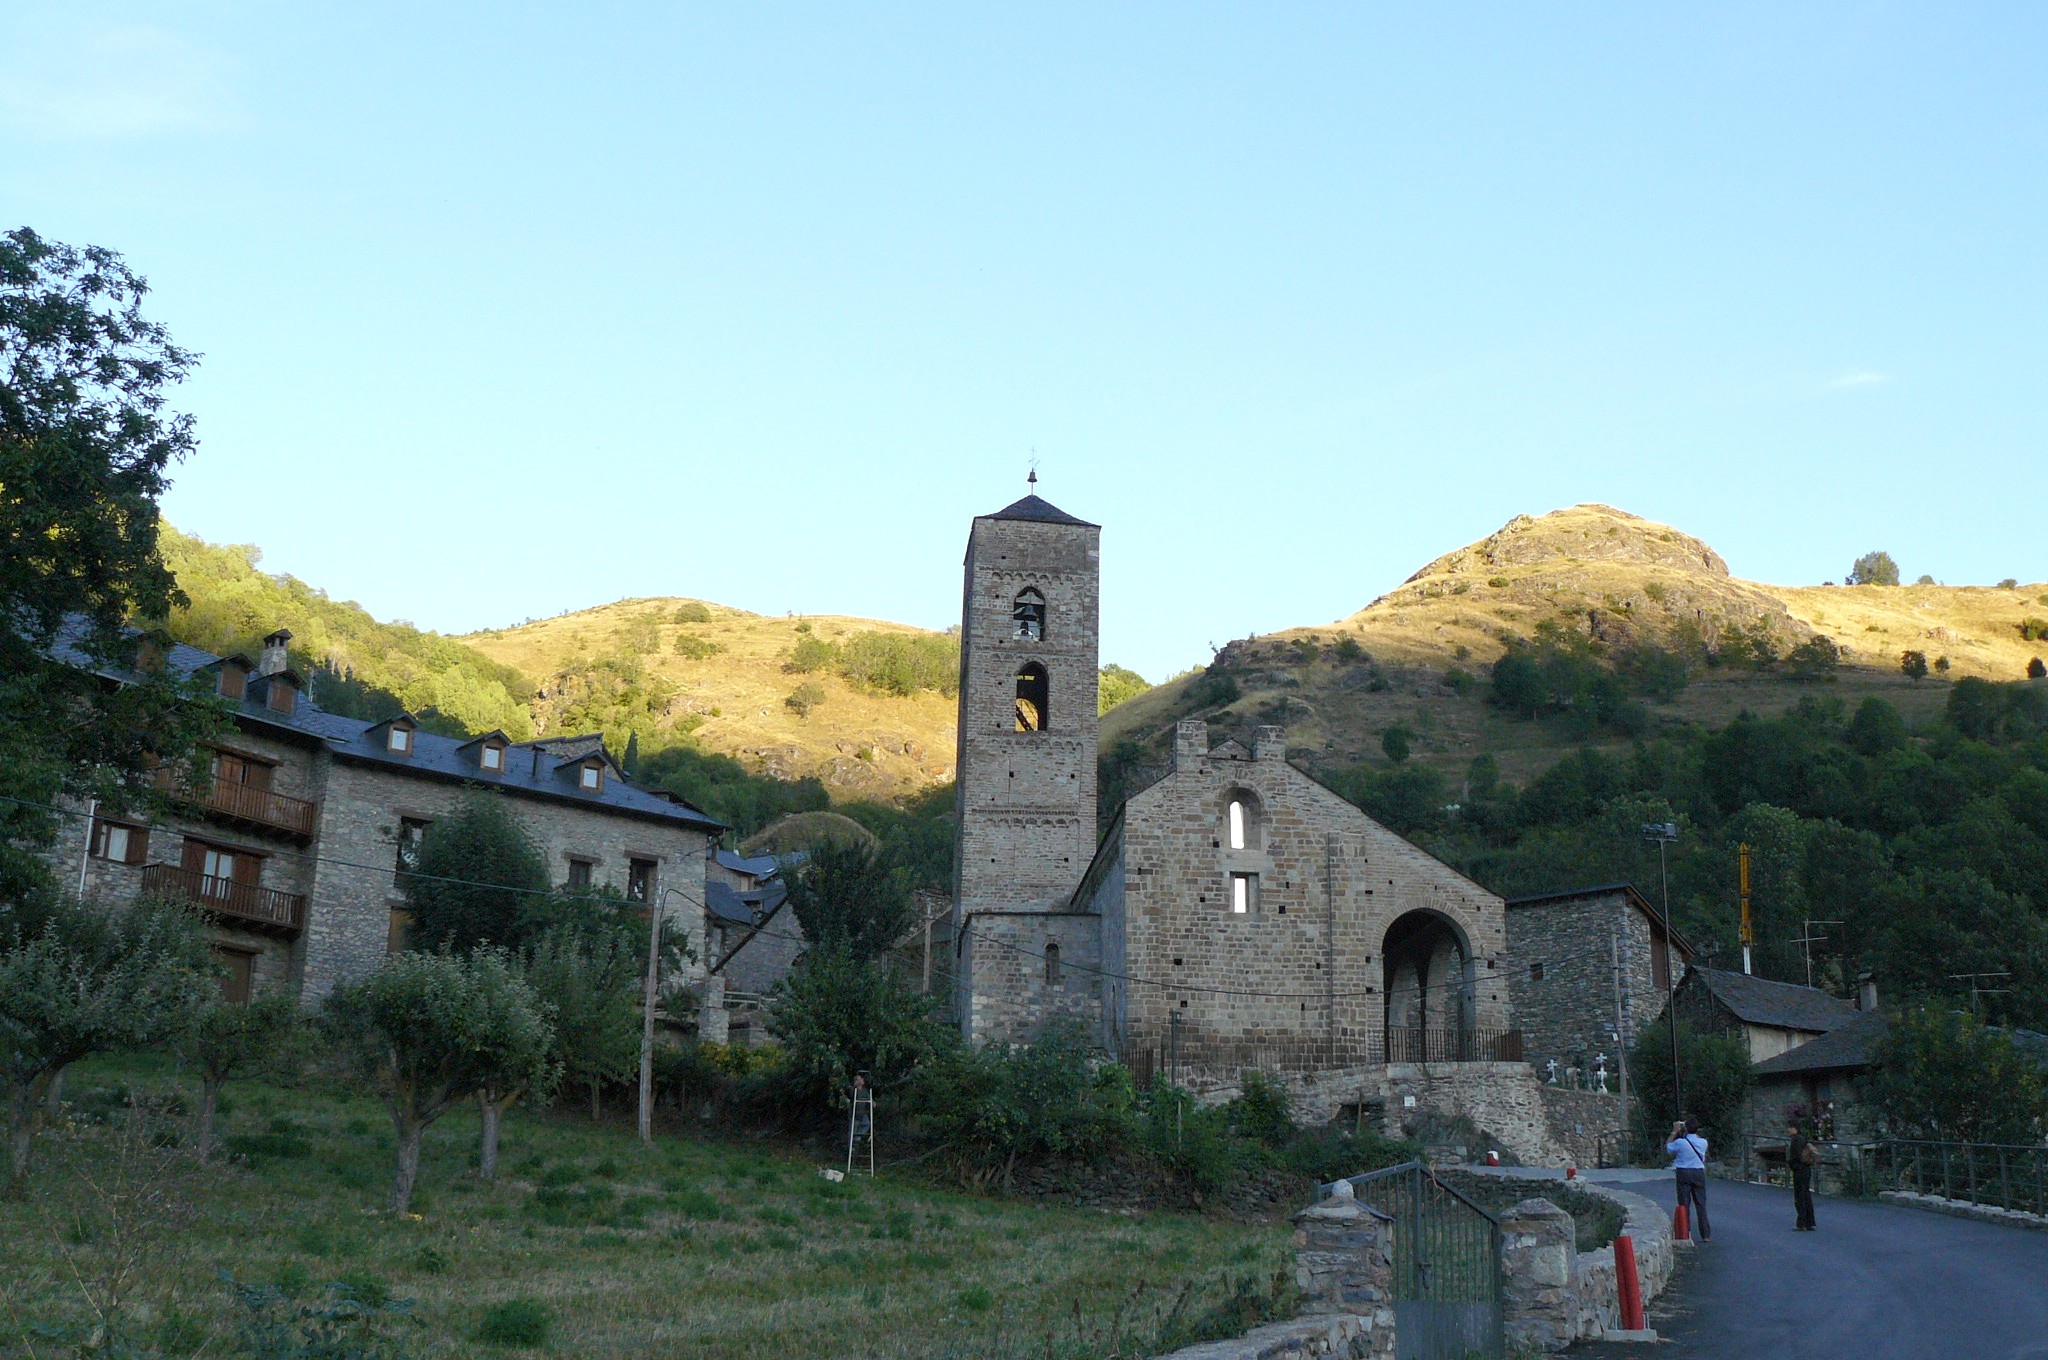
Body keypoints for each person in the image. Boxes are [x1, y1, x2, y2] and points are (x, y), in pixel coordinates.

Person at [1667, 1118, 1712, 1242]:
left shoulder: (1680, 1142)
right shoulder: (1703, 1142)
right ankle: (1705, 1234)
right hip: (1698, 1172)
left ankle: (1685, 1233)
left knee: (1684, 1204)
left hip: (1683, 1172)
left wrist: (1674, 1132)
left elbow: (1668, 1149)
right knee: (1701, 1204)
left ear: (1685, 1128)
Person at [1788, 1120, 1818, 1231]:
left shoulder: (1796, 1140)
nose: (1788, 1130)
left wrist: (1792, 1165)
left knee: (1800, 1196)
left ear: (1794, 1128)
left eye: (1790, 1127)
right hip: (1806, 1169)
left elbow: (1795, 1156)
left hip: (1799, 1170)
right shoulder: (1803, 1139)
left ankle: (1801, 1223)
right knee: (1806, 1195)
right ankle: (1810, 1222)